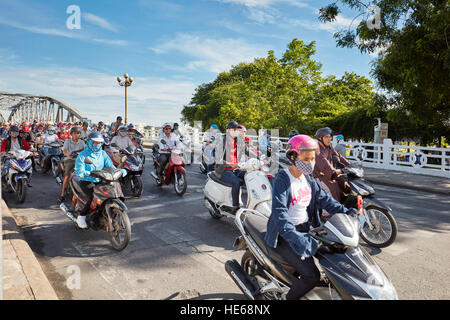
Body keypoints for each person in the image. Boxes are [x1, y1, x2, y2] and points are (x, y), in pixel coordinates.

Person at [264, 134, 355, 300]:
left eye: (312, 158)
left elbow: (325, 200)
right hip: (285, 235)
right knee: (312, 276)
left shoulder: (308, 179)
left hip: (307, 230)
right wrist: (296, 237)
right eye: (306, 159)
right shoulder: (283, 179)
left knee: (337, 258)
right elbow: (280, 213)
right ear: (293, 156)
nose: (310, 163)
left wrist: (347, 212)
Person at [74, 132, 126, 229]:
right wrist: (87, 173)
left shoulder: (103, 154)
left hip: (101, 178)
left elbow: (110, 165)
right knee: (93, 196)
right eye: (95, 142)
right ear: (89, 142)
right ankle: (82, 216)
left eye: (99, 143)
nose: (97, 145)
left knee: (110, 190)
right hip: (87, 180)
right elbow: (79, 170)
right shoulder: (83, 155)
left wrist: (119, 171)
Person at [215, 121, 246, 214]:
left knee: (249, 176)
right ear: (228, 130)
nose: (236, 131)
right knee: (236, 182)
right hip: (224, 169)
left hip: (236, 169)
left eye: (237, 129)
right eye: (234, 129)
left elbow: (248, 151)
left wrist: (261, 158)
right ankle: (235, 207)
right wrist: (229, 164)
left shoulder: (238, 141)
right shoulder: (222, 141)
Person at [312, 127, 351, 202]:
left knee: (345, 185)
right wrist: (335, 171)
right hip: (320, 175)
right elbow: (323, 163)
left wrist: (350, 166)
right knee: (333, 188)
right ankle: (327, 212)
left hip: (331, 174)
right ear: (320, 138)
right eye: (327, 137)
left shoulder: (329, 147)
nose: (329, 139)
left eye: (330, 137)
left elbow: (339, 156)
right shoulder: (317, 149)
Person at [58, 126, 85, 203]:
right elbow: (64, 151)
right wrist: (69, 155)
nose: (77, 135)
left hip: (80, 161)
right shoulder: (67, 141)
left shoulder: (82, 142)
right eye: (75, 133)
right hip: (70, 160)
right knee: (66, 177)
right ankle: (62, 194)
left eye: (78, 133)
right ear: (71, 134)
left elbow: (85, 151)